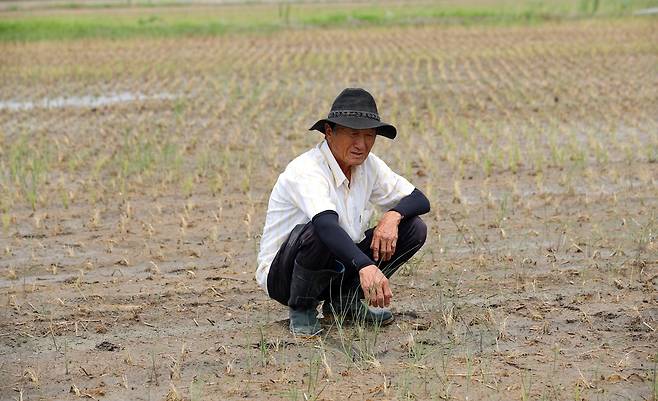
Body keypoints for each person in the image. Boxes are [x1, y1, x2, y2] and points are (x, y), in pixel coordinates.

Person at [256, 88, 430, 336]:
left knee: (413, 228)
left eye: (369, 135)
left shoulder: (369, 166)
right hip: (285, 276)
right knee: (322, 229)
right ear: (329, 131)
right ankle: (302, 307)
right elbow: (325, 226)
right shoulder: (307, 170)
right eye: (353, 134)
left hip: (337, 265)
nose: (362, 144)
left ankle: (344, 302)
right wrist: (366, 267)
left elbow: (419, 199)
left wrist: (392, 216)